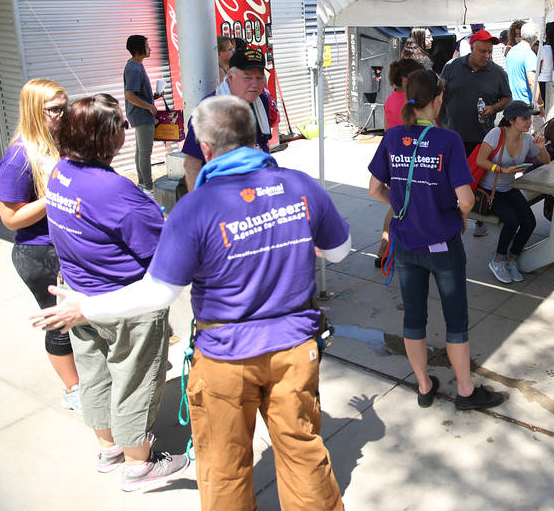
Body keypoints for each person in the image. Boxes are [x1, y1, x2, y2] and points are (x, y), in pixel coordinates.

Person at [34, 95, 351, 510]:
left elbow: (159, 292)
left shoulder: (195, 208)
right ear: (253, 135)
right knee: (303, 451)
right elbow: (341, 250)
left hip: (224, 360)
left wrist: (85, 308)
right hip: (295, 350)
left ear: (205, 147)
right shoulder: (301, 185)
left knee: (223, 465)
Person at [39, 94, 188, 492]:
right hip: (122, 303)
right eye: (120, 125)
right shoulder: (117, 192)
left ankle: (108, 448)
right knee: (134, 379)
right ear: (108, 140)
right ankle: (139, 465)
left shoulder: (60, 173)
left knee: (95, 374)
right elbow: (163, 252)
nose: (125, 130)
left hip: (76, 297)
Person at [368, 70, 505, 412]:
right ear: (438, 99)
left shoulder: (393, 137)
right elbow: (468, 200)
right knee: (455, 319)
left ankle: (425, 385)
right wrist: (459, 213)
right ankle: (465, 390)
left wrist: (403, 206)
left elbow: (375, 189)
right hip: (442, 245)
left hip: (405, 244)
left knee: (413, 318)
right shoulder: (448, 141)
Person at [0, 79, 80, 411]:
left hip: (64, 247)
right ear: (35, 111)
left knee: (79, 319)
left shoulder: (58, 143)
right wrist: (53, 195)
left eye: (65, 107)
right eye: (54, 110)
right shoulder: (20, 155)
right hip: (39, 252)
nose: (63, 115)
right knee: (59, 322)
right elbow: (10, 219)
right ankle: (73, 390)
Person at [439, 29, 511, 236]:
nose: (487, 56)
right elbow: (440, 92)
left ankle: (479, 219)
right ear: (471, 48)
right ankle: (448, 216)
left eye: (489, 52)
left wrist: (494, 108)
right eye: (483, 52)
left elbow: (507, 98)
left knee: (477, 181)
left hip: (482, 138)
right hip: (452, 135)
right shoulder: (452, 67)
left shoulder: (498, 73)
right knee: (449, 179)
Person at [475, 101, 550, 284]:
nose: (529, 122)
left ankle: (512, 259)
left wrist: (541, 149)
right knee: (512, 220)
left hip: (509, 189)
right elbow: (480, 160)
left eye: (530, 118)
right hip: (489, 191)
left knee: (529, 222)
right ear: (511, 120)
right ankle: (498, 260)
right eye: (524, 118)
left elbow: (546, 161)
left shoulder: (527, 139)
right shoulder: (496, 134)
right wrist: (501, 170)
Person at [182, 45, 274, 190]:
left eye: (259, 77)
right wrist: (199, 204)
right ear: (230, 77)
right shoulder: (210, 109)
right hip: (222, 192)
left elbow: (263, 145)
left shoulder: (262, 101)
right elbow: (191, 164)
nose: (255, 84)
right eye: (247, 78)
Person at [377, 57, 428, 266]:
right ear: (407, 80)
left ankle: (384, 251)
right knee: (401, 207)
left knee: (399, 206)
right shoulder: (409, 103)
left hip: (395, 159)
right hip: (410, 161)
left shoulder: (391, 98)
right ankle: (390, 250)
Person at [123, 34, 158, 192]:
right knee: (145, 152)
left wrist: (154, 97)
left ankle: (142, 183)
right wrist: (149, 107)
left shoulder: (136, 65)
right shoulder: (134, 68)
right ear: (139, 50)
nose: (149, 48)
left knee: (140, 151)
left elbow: (137, 93)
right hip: (141, 115)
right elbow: (130, 95)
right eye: (146, 45)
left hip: (139, 113)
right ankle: (148, 186)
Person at [505, 21, 539, 106]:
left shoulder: (512, 51)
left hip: (513, 100)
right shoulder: (528, 54)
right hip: (524, 101)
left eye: (519, 34)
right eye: (516, 35)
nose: (518, 37)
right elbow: (532, 81)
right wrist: (540, 105)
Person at [537, 21, 554, 112]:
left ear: (547, 34)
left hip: (542, 82)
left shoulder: (543, 49)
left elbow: (538, 70)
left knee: (542, 110)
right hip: (552, 82)